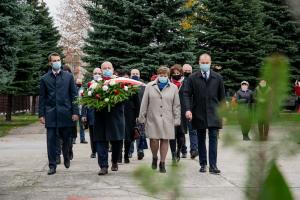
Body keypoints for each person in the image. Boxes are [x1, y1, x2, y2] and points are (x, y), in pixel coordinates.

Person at [184, 53, 225, 175]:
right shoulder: (193, 77)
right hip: (199, 112)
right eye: (203, 62)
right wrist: (188, 109)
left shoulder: (217, 77)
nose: (205, 64)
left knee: (213, 138)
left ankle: (213, 165)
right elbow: (186, 94)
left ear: (210, 63)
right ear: (199, 63)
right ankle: (203, 164)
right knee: (201, 139)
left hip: (214, 112)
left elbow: (222, 97)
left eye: (207, 63)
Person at [39, 52, 79, 175]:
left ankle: (66, 155)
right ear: (50, 63)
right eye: (54, 60)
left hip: (66, 113)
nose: (57, 62)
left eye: (58, 60)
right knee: (51, 141)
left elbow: (74, 96)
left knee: (67, 139)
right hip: (51, 114)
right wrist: (41, 114)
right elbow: (42, 98)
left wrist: (75, 112)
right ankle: (52, 165)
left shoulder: (68, 77)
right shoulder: (44, 78)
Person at [139, 66, 181, 173]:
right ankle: (154, 157)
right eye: (161, 75)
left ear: (168, 76)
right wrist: (141, 117)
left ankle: (162, 163)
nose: (163, 77)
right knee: (153, 139)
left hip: (167, 118)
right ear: (158, 75)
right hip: (153, 117)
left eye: (165, 75)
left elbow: (176, 105)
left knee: (165, 139)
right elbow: (144, 103)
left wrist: (177, 119)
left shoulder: (173, 88)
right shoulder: (149, 86)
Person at [93, 61, 125, 175]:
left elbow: (125, 97)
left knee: (116, 142)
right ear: (101, 71)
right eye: (104, 68)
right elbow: (91, 98)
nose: (107, 69)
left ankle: (115, 161)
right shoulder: (95, 84)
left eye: (109, 68)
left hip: (115, 116)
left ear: (112, 69)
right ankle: (103, 166)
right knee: (100, 141)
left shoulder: (119, 82)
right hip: (100, 117)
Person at [82, 67, 102, 158]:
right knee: (92, 134)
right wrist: (84, 114)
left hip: (102, 113)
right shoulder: (89, 85)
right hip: (91, 114)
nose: (97, 75)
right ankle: (94, 151)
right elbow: (84, 101)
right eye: (95, 73)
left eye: (98, 73)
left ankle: (101, 150)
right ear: (92, 75)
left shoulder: (105, 84)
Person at [169, 64, 186, 162]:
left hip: (182, 111)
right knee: (172, 134)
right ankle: (173, 155)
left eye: (178, 73)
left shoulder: (185, 82)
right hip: (171, 111)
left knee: (181, 134)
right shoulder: (169, 83)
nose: (176, 75)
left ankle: (179, 150)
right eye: (174, 73)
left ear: (181, 73)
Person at [182, 64, 198, 159]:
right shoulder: (180, 82)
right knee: (182, 132)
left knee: (193, 131)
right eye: (186, 70)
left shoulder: (195, 80)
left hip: (192, 109)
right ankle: (183, 150)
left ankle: (193, 150)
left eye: (189, 70)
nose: (187, 72)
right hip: (182, 109)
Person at [76, 78, 88, 144]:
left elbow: (85, 101)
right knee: (74, 126)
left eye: (80, 82)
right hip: (75, 110)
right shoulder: (74, 89)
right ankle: (73, 139)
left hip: (82, 109)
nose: (79, 83)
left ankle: (82, 139)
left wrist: (84, 114)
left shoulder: (84, 89)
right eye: (78, 82)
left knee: (82, 125)